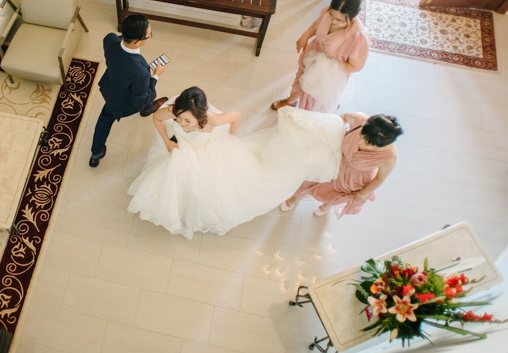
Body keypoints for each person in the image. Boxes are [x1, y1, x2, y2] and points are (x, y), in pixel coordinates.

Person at [127, 87, 345, 240]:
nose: (182, 124)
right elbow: (157, 118)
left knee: (203, 188)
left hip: (206, 151)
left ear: (200, 117)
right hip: (179, 148)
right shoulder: (173, 111)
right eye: (179, 119)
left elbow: (236, 117)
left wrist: (230, 137)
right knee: (172, 176)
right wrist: (167, 142)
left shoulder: (212, 119)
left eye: (187, 121)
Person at [281, 112, 402, 218]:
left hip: (353, 178)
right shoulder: (359, 119)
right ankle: (294, 199)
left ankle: (326, 206)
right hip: (334, 159)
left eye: (368, 144)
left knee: (334, 193)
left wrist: (362, 194)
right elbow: (340, 119)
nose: (360, 142)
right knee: (309, 181)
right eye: (361, 135)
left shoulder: (390, 157)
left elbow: (380, 179)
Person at [271, 0, 370, 113]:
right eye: (332, 15)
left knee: (316, 98)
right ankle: (291, 101)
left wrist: (327, 66)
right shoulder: (331, 10)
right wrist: (305, 36)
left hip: (330, 71)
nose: (333, 21)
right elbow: (317, 24)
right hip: (312, 54)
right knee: (301, 79)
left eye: (339, 20)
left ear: (353, 16)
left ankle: (316, 111)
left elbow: (356, 66)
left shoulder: (358, 36)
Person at [89, 14, 169, 168]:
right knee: (148, 94)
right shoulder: (140, 72)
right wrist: (156, 75)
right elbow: (139, 99)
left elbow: (118, 40)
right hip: (123, 102)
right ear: (138, 41)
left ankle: (95, 154)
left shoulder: (110, 39)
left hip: (111, 85)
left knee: (105, 120)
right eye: (149, 35)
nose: (150, 37)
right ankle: (145, 109)